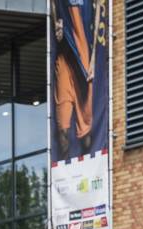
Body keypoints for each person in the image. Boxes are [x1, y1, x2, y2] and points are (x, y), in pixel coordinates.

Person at [51, 0, 95, 159]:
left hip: (82, 58)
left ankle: (85, 171)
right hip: (64, 58)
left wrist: (94, 58)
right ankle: (63, 175)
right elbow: (54, 5)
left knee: (86, 133)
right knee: (63, 128)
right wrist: (56, 21)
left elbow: (97, 20)